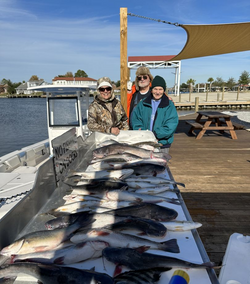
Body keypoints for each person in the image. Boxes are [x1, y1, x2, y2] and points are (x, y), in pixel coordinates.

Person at [131, 75, 179, 153]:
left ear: (164, 91)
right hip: (145, 143)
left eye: (160, 89)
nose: (157, 92)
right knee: (145, 164)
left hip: (162, 143)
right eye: (155, 89)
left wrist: (155, 134)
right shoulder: (142, 103)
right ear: (151, 90)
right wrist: (144, 134)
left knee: (161, 164)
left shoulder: (169, 105)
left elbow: (171, 125)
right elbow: (136, 120)